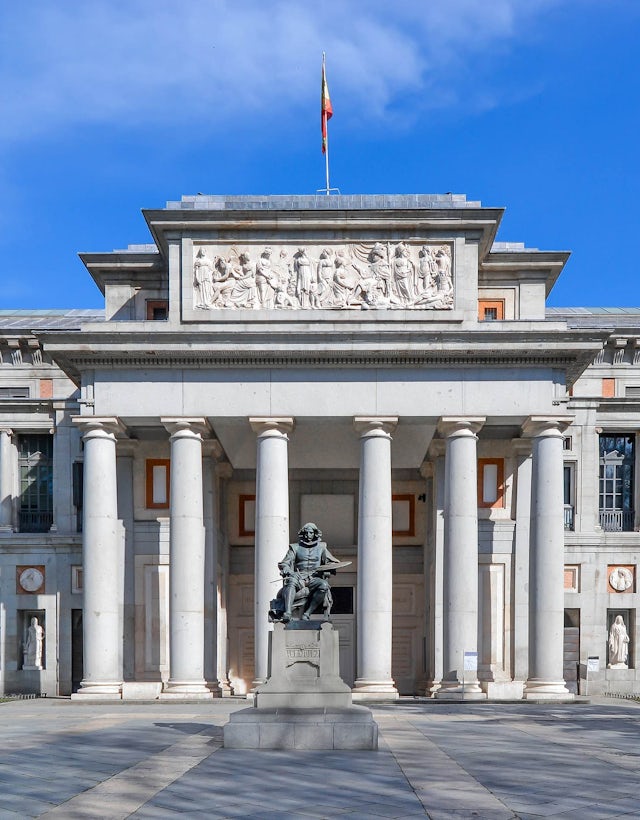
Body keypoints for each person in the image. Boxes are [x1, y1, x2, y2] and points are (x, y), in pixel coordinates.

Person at [271, 523, 340, 622]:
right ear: (303, 534)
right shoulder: (295, 548)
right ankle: (288, 612)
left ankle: (307, 613)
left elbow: (332, 562)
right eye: (306, 533)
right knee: (291, 582)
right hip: (299, 577)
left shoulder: (321, 547)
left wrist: (330, 567)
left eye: (311, 533)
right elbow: (284, 563)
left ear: (315, 533)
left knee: (324, 585)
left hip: (314, 578)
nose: (308, 535)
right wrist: (290, 571)